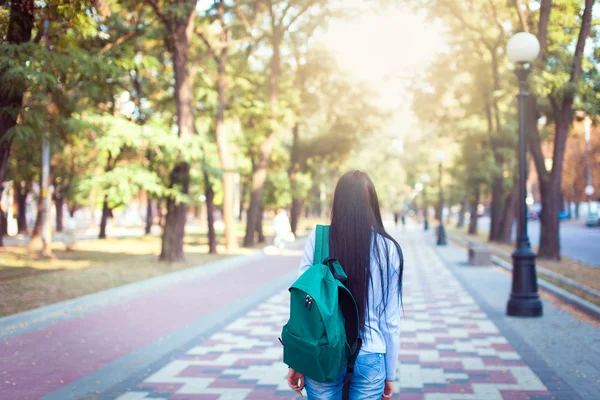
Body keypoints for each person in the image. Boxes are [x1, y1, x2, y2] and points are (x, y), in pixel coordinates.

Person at [287, 170, 404, 400]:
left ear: (337, 203)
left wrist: (297, 360)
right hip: (371, 354)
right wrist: (389, 373)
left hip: (323, 353)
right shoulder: (389, 249)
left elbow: (303, 307)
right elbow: (391, 322)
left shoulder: (319, 240)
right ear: (372, 204)